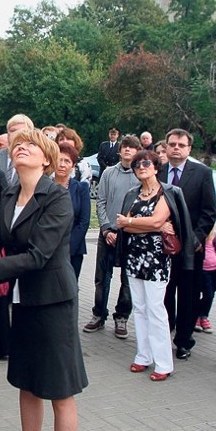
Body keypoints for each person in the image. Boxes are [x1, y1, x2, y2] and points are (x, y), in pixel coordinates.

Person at [0, 128, 87, 431]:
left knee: (58, 388)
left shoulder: (57, 197)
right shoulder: (11, 193)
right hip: (23, 299)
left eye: (30, 145)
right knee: (27, 383)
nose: (21, 148)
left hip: (53, 302)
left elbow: (38, 255)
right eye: (17, 145)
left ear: (47, 160)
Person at [116, 149, 194, 381]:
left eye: (146, 163)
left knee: (156, 309)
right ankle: (143, 356)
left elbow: (158, 219)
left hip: (157, 259)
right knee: (139, 308)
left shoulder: (167, 192)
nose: (141, 167)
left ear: (156, 167)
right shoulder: (133, 194)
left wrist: (135, 222)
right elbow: (124, 226)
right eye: (137, 164)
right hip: (134, 257)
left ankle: (163, 363)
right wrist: (146, 225)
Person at [159, 128, 216, 360]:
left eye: (181, 145)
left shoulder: (202, 173)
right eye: (172, 144)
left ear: (189, 149)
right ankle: (164, 335)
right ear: (166, 146)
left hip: (192, 247)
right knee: (164, 293)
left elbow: (208, 212)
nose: (176, 148)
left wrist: (196, 239)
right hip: (161, 246)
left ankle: (183, 340)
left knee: (188, 295)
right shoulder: (157, 170)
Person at [83, 135, 141, 337]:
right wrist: (107, 229)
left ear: (137, 152)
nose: (127, 151)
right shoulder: (108, 173)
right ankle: (99, 314)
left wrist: (126, 228)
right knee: (102, 277)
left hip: (130, 235)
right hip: (107, 233)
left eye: (132, 148)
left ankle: (122, 317)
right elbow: (101, 201)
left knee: (128, 279)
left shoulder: (140, 175)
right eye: (125, 147)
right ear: (120, 150)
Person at [54, 142, 91, 279]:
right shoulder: (44, 186)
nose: (62, 164)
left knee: (69, 288)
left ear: (73, 166)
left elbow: (84, 221)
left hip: (73, 250)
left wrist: (68, 248)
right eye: (59, 160)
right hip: (47, 249)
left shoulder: (81, 188)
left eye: (67, 161)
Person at [195, 225, 216, 333]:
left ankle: (201, 315)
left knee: (211, 294)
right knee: (207, 294)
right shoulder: (199, 237)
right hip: (203, 270)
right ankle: (201, 316)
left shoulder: (215, 235)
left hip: (215, 270)